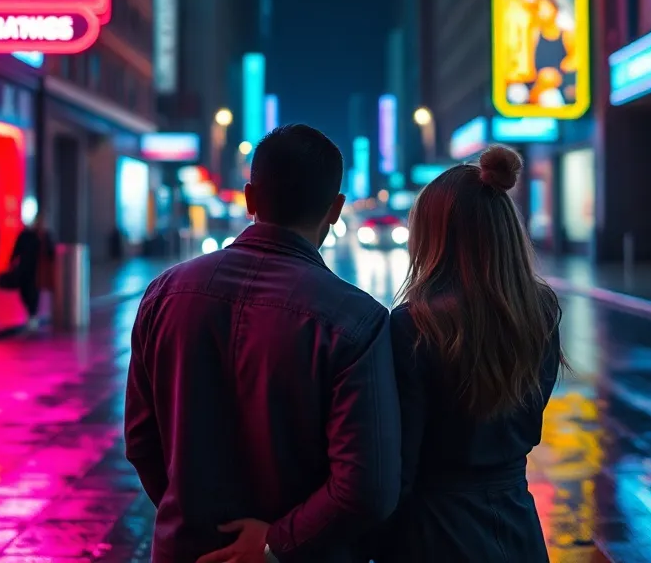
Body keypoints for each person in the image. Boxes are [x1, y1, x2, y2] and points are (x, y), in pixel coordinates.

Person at [125, 124, 400, 563]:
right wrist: (275, 542)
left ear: (250, 198)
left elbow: (141, 440)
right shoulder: (356, 320)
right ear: (335, 209)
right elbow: (367, 488)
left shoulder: (164, 294)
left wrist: (199, 520)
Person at [375, 145, 566, 563]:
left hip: (436, 529)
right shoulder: (542, 310)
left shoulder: (414, 324)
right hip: (517, 521)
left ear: (434, 235)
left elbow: (401, 459)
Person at [10, 219, 52, 327]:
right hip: (24, 267)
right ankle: (31, 314)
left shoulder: (44, 236)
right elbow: (17, 248)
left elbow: (50, 252)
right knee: (23, 291)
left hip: (36, 269)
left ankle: (32, 315)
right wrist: (12, 260)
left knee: (33, 292)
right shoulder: (25, 234)